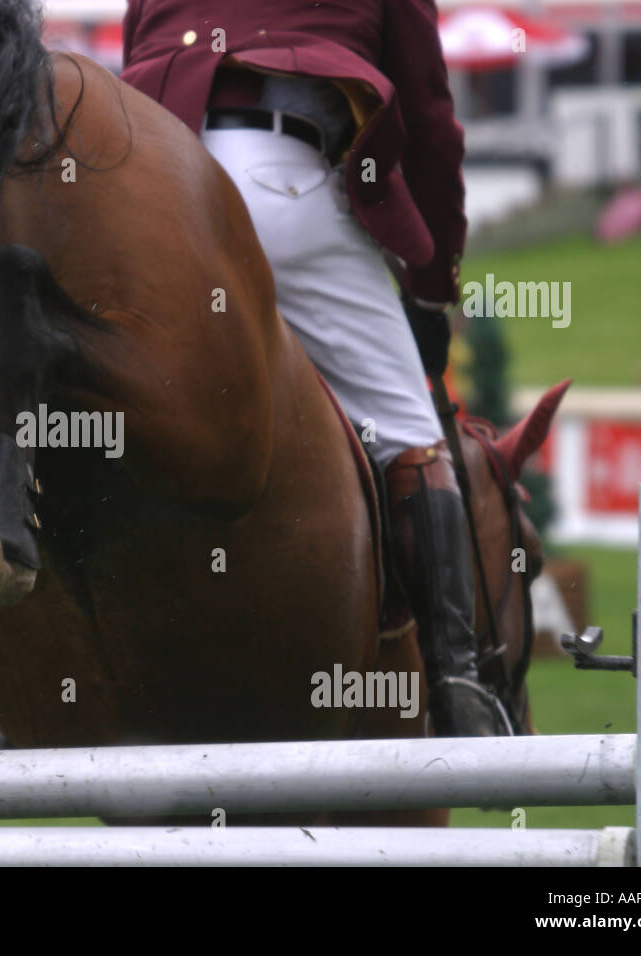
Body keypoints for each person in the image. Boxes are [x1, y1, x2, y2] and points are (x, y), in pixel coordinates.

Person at [120, 0, 513, 736]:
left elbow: (133, 65)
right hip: (282, 181)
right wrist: (431, 286)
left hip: (160, 194)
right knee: (407, 431)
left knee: (113, 415)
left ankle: (49, 675)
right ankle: (456, 678)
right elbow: (430, 123)